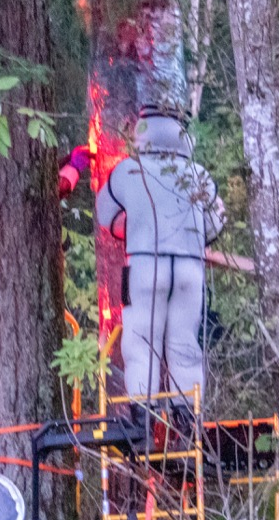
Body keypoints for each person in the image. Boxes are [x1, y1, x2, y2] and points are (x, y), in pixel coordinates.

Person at [95, 105, 223, 434]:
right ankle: (189, 420)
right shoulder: (198, 174)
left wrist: (133, 227)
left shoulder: (127, 171)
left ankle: (142, 422)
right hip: (189, 269)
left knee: (141, 342)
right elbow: (216, 221)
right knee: (184, 344)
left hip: (143, 265)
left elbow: (105, 214)